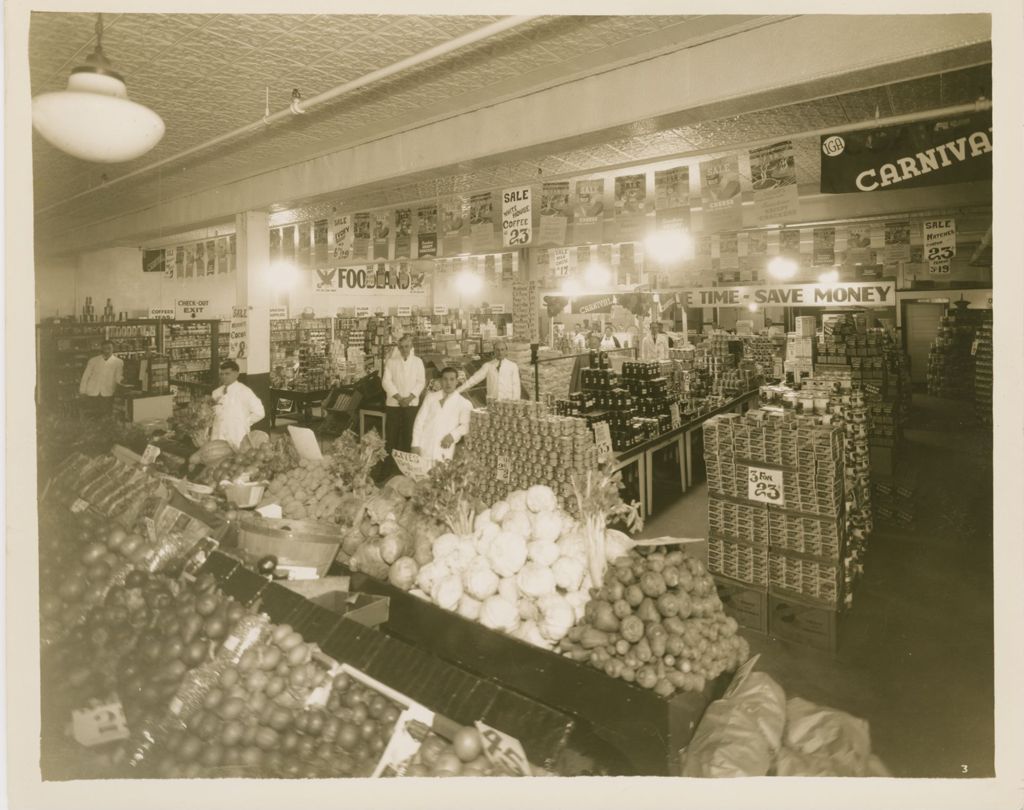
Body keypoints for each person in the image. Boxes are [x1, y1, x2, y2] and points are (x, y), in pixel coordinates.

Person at [412, 367, 472, 468]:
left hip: (444, 448)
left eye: (452, 379)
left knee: (440, 479)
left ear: (457, 382)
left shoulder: (463, 403)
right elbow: (419, 421)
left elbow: (466, 425)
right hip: (424, 445)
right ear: (440, 381)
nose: (448, 383)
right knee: (421, 479)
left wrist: (452, 436)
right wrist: (415, 444)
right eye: (445, 379)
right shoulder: (430, 397)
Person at [382, 334, 425, 453]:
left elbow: (421, 382)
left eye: (407, 346)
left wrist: (409, 398)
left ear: (411, 347)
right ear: (398, 348)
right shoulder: (391, 362)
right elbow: (386, 382)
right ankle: (389, 468)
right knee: (391, 437)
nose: (404, 350)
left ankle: (407, 468)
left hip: (411, 405)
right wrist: (400, 398)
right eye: (401, 347)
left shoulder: (418, 362)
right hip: (394, 405)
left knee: (409, 436)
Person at [210, 359, 265, 449]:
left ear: (236, 374)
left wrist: (244, 422)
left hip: (236, 435)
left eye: (227, 374)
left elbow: (260, 412)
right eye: (221, 374)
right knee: (216, 458)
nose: (223, 377)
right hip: (218, 434)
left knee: (236, 459)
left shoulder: (244, 391)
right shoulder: (216, 392)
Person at [79, 340, 124, 418]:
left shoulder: (118, 362)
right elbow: (85, 377)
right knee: (92, 416)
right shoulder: (93, 360)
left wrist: (123, 382)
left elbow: (118, 377)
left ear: (113, 349)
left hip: (108, 393)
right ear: (101, 349)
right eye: (104, 348)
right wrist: (82, 391)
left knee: (106, 416)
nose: (107, 351)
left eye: (109, 348)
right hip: (92, 393)